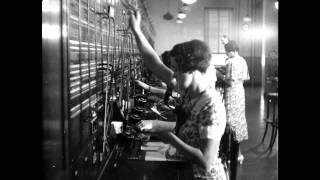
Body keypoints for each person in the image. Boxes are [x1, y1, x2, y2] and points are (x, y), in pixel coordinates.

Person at [125, 5, 228, 180]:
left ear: (193, 70)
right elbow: (155, 64)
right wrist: (136, 31)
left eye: (178, 70)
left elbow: (206, 161)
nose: (174, 76)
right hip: (186, 171)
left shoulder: (211, 106)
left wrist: (169, 138)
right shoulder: (189, 91)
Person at [221, 40, 250, 180]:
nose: (226, 53)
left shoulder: (231, 62)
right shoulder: (243, 60)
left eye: (227, 50)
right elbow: (243, 79)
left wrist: (219, 75)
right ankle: (238, 153)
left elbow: (229, 81)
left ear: (232, 50)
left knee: (230, 122)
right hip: (240, 92)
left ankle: (230, 155)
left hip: (232, 94)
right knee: (238, 121)